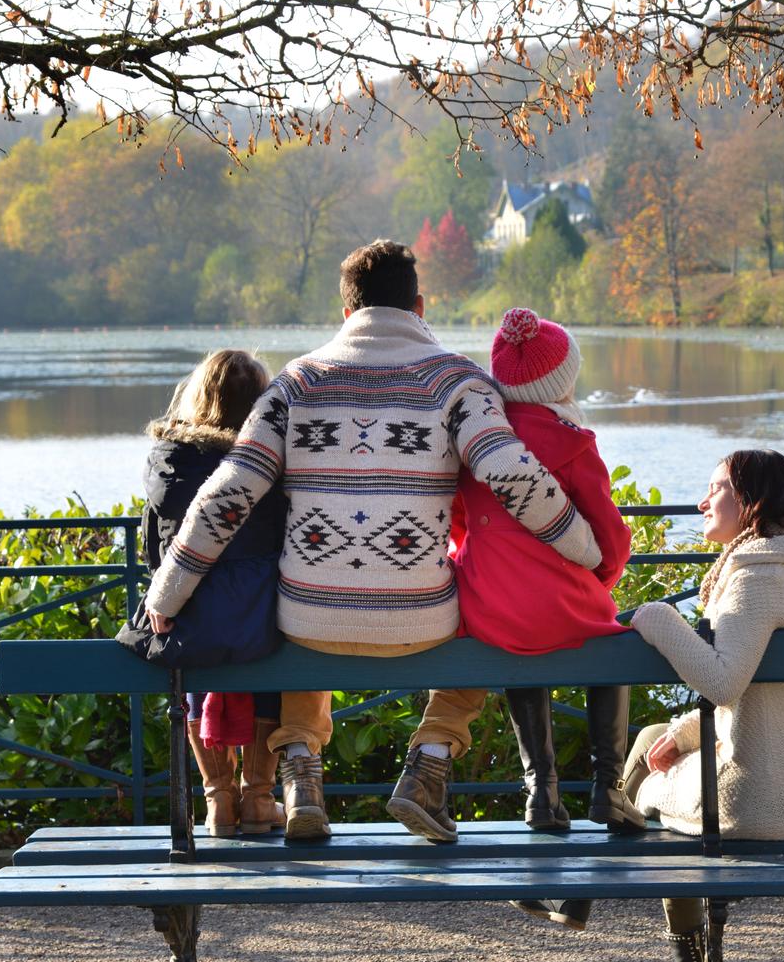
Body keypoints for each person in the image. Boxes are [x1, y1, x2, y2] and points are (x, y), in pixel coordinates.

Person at [143, 240, 602, 842]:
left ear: (345, 313)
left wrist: (167, 592)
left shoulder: (295, 384)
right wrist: (585, 550)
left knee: (312, 596)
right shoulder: (459, 382)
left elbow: (230, 494)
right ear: (420, 306)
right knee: (487, 620)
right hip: (422, 618)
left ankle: (301, 767)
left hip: (310, 618)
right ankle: (429, 761)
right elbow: (512, 476)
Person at [517, 450, 784, 962]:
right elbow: (760, 696)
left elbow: (722, 684)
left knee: (644, 800)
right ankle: (584, 893)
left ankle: (680, 959)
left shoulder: (757, 578)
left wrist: (655, 617)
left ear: (751, 500)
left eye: (715, 488)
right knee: (654, 739)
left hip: (764, 797)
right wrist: (682, 735)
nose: (702, 502)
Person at [448, 308, 642, 833]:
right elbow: (609, 539)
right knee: (614, 642)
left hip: (490, 606)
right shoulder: (572, 441)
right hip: (560, 603)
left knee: (521, 646)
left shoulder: (479, 440)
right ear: (562, 382)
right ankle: (609, 787)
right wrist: (597, 583)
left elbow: (459, 523)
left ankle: (541, 791)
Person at [140, 349, 288, 837]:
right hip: (261, 616)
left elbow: (154, 550)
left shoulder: (168, 461)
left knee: (192, 665)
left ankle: (218, 800)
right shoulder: (268, 460)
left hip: (188, 619)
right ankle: (259, 798)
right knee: (273, 665)